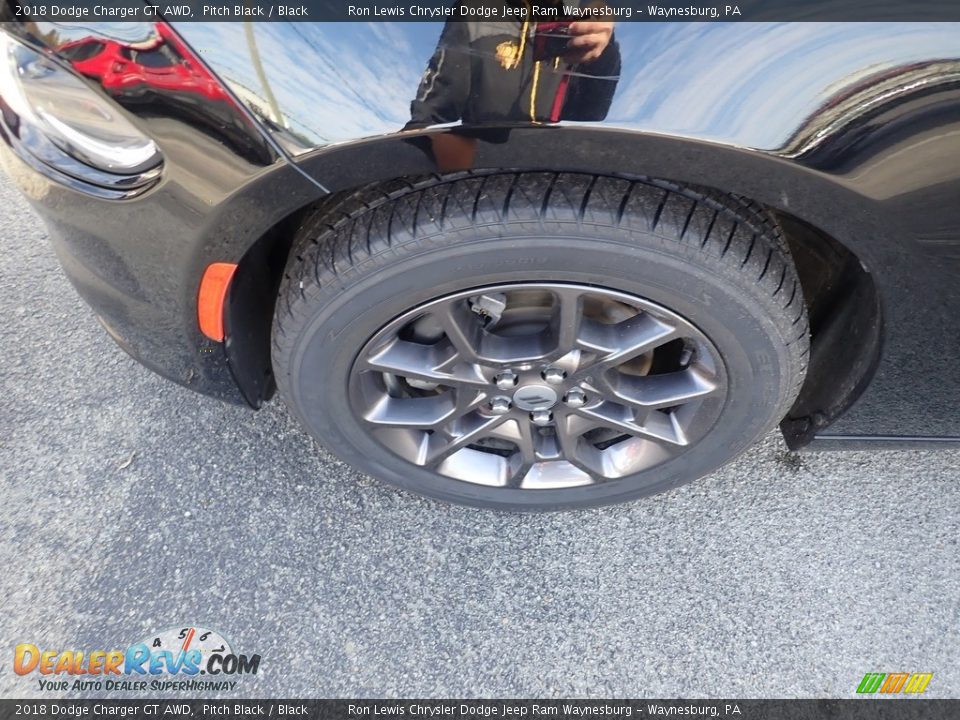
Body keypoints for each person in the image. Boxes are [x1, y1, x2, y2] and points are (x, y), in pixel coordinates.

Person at [407, 0, 621, 129]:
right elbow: (432, 112)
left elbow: (593, 113)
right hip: (479, 174)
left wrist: (603, 47)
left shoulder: (585, 16)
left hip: (560, 173)